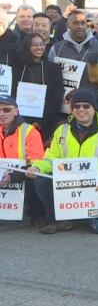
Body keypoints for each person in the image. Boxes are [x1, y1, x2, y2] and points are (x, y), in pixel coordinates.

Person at [27, 89, 98, 234]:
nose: (81, 110)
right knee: (41, 179)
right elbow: (51, 157)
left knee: (97, 228)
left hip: (96, 189)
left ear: (94, 108)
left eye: (86, 106)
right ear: (72, 110)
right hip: (65, 187)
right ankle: (59, 220)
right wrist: (38, 168)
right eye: (77, 106)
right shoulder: (61, 130)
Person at [0, 94, 45, 226]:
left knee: (37, 177)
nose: (2, 113)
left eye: (6, 109)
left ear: (16, 111)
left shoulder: (29, 131)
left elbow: (36, 162)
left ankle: (38, 214)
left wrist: (12, 176)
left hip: (24, 175)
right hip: (3, 175)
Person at [48, 9, 98, 101]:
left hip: (92, 103)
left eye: (83, 23)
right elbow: (50, 76)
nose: (80, 26)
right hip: (64, 103)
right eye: (75, 23)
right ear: (68, 25)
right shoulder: (56, 48)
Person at [11, 33, 64, 141]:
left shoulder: (53, 69)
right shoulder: (17, 68)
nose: (39, 47)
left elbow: (57, 97)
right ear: (27, 47)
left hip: (46, 122)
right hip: (20, 120)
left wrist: (41, 121)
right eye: (34, 45)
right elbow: (12, 94)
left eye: (42, 44)